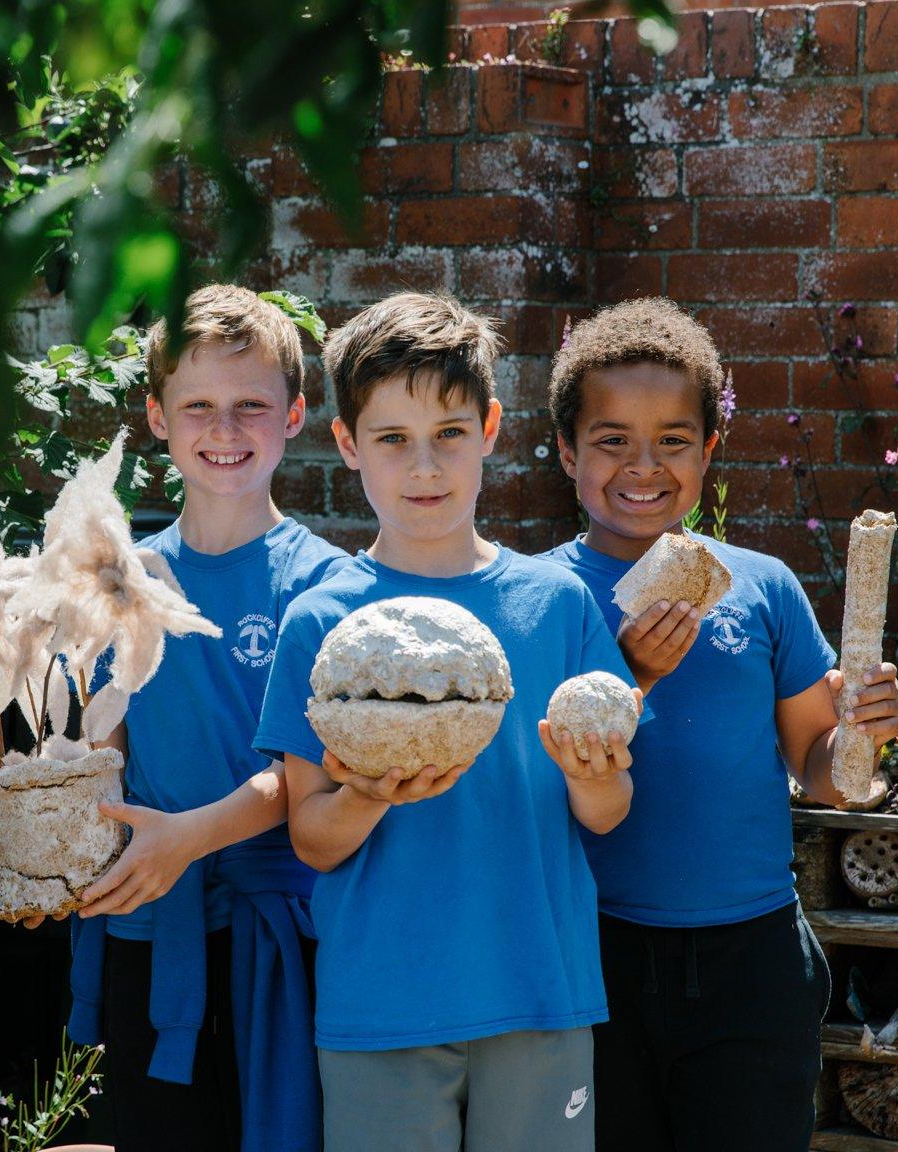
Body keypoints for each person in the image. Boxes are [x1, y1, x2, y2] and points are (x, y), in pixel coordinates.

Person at [253, 291, 641, 1152]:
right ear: (349, 445)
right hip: (382, 1004)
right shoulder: (322, 622)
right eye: (392, 440)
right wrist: (368, 792)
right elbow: (312, 837)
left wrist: (592, 773)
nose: (423, 467)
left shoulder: (556, 604)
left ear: (492, 429)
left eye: (449, 435)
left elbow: (609, 813)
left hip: (540, 990)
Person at [537, 296, 898, 1152]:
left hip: (754, 953)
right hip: (594, 951)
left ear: (709, 451)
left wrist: (865, 731)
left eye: (673, 439)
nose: (644, 465)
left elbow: (821, 765)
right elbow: (532, 778)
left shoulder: (763, 586)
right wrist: (630, 675)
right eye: (611, 440)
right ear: (566, 450)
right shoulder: (537, 597)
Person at [43, 284, 347, 1152]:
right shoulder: (121, 580)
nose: (225, 430)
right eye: (199, 407)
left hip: (282, 933)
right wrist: (58, 856)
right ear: (157, 417)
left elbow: (306, 773)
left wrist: (188, 838)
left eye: (252, 406)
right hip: (149, 920)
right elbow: (103, 752)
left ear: (293, 415)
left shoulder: (328, 584)